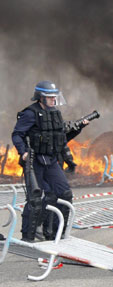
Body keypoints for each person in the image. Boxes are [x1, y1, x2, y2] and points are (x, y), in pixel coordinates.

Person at [11, 80, 73, 241]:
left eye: (55, 97)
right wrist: (23, 152)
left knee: (64, 193)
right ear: (41, 97)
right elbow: (17, 134)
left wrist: (68, 158)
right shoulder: (30, 113)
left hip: (51, 160)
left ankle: (54, 232)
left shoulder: (55, 113)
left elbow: (60, 137)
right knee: (35, 199)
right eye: (50, 97)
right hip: (35, 160)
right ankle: (28, 235)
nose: (53, 100)